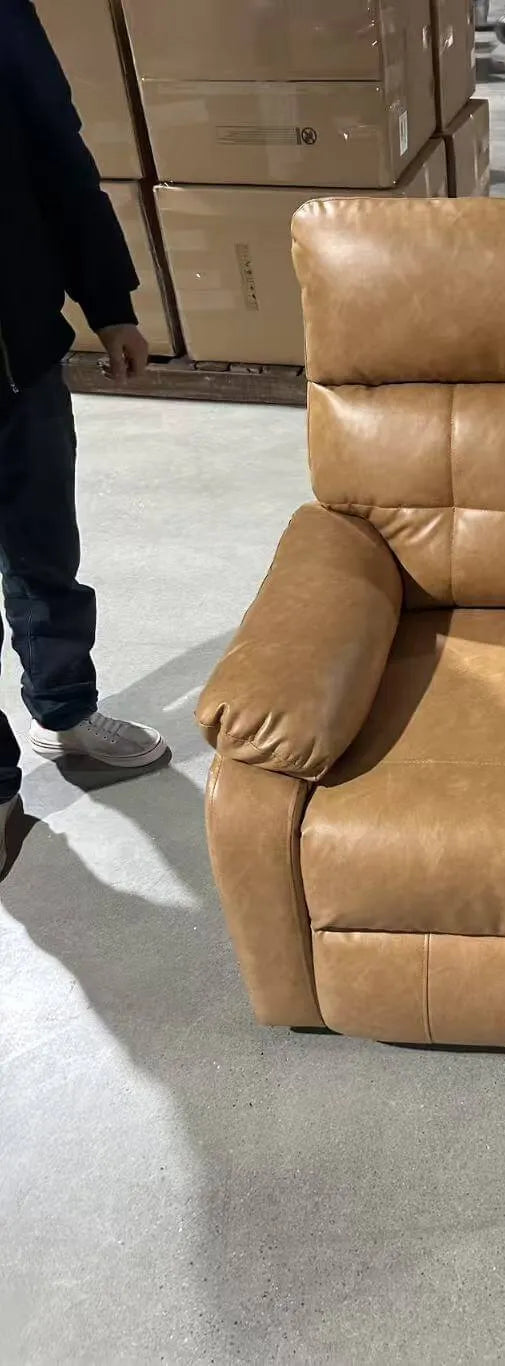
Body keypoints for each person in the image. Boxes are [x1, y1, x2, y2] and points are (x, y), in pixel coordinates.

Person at [0, 0, 168, 866]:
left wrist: (110, 304)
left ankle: (64, 709)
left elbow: (58, 152)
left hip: (17, 355)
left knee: (44, 551)